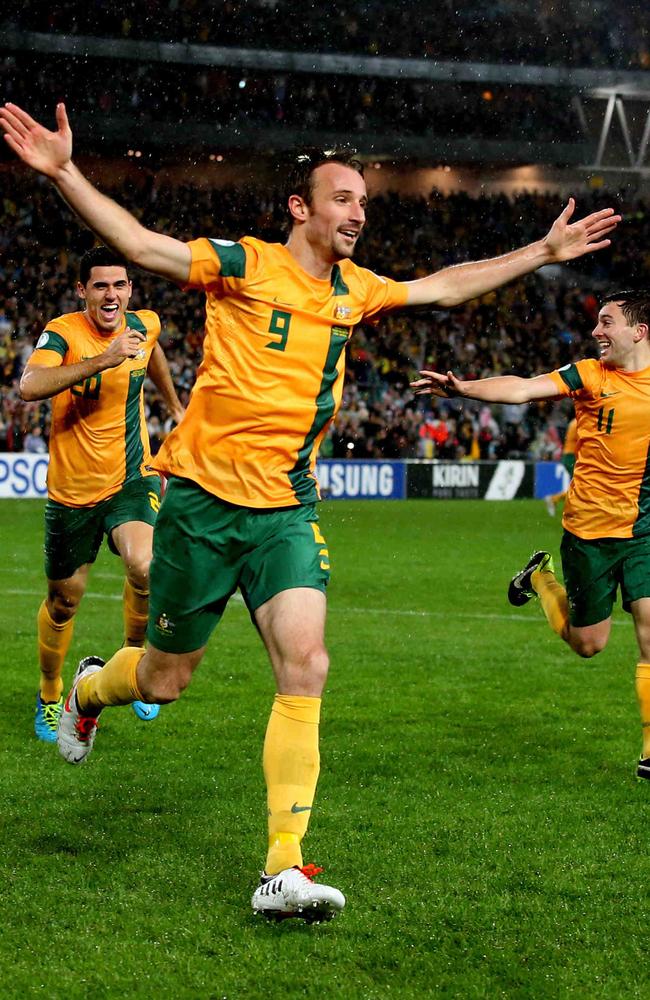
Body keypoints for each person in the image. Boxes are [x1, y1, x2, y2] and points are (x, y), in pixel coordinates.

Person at [0, 101, 620, 923]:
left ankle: (281, 868)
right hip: (200, 508)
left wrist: (542, 250)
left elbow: (441, 288)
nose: (359, 212)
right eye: (344, 198)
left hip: (286, 511)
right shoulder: (243, 265)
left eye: (364, 201)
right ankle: (87, 692)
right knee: (163, 677)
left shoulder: (356, 292)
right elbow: (143, 246)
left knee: (308, 665)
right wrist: (65, 172)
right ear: (302, 208)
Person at [412, 290, 650, 779]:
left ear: (638, 331)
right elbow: (522, 388)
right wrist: (465, 389)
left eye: (606, 323)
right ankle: (540, 577)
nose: (596, 332)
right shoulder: (588, 374)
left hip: (644, 528)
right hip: (589, 532)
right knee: (589, 644)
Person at [20, 245, 184, 741]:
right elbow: (30, 385)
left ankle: (134, 666)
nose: (111, 295)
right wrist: (102, 360)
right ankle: (51, 694)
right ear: (82, 291)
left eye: (119, 285)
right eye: (100, 286)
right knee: (64, 602)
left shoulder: (145, 324)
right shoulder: (64, 332)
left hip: (130, 478)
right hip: (71, 493)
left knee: (145, 566)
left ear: (130, 289)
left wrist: (175, 406)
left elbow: (150, 352)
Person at [543, 412, 577, 516]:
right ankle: (554, 499)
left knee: (578, 486)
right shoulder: (577, 423)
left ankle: (571, 508)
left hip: (568, 455)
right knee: (579, 486)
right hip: (571, 456)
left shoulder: (574, 422)